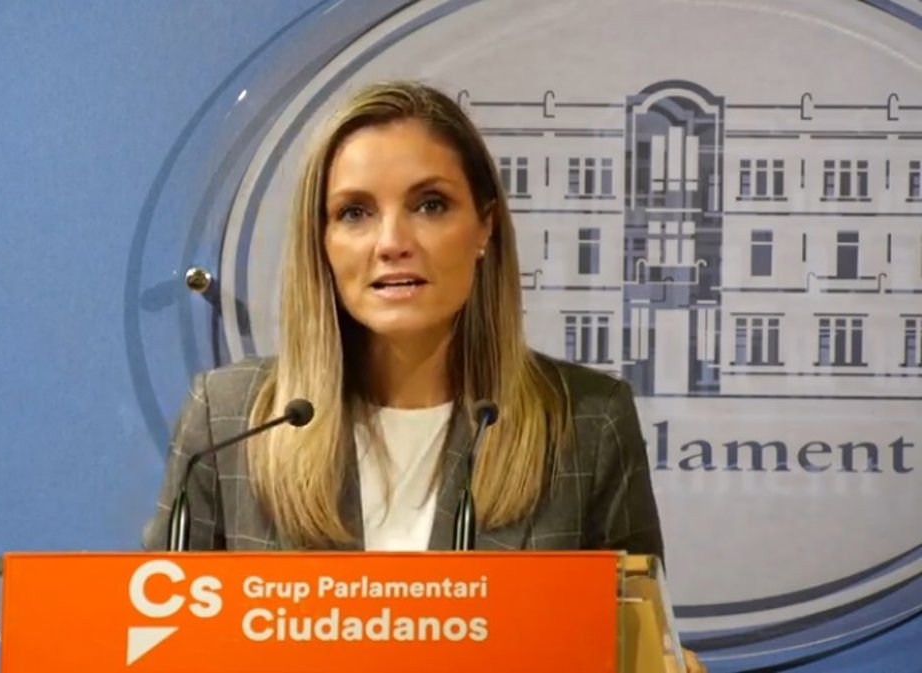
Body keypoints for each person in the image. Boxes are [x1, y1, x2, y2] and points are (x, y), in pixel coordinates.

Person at [142, 79, 705, 672]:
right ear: (322, 241)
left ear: (484, 228)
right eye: (355, 212)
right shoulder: (228, 422)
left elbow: (634, 648)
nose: (392, 243)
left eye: (430, 205)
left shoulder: (588, 422)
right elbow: (156, 644)